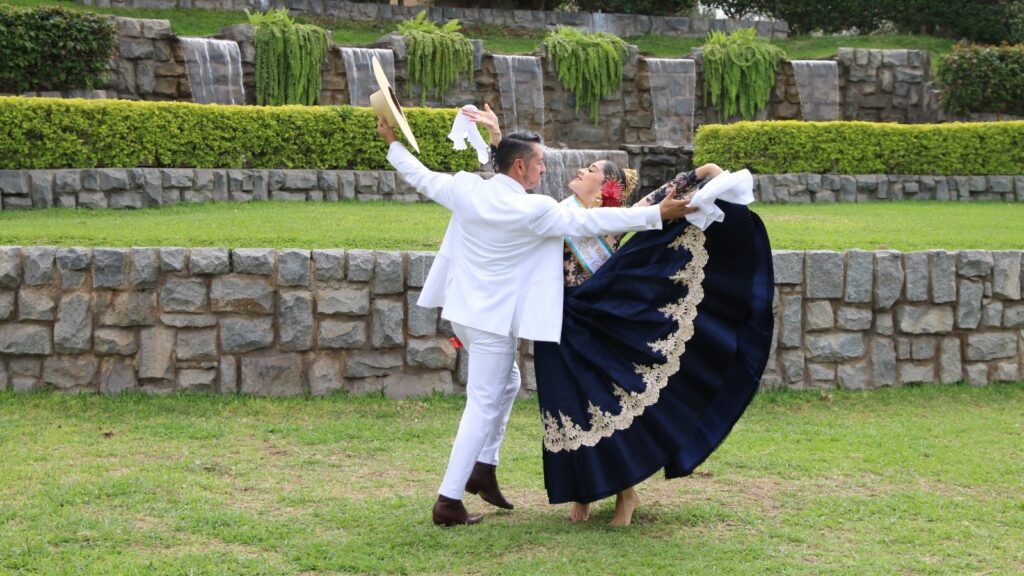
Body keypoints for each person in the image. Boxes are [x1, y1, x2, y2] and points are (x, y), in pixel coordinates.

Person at [375, 117, 699, 527]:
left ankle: (485, 469)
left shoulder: (464, 187)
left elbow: (419, 176)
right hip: (491, 324)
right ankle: (449, 500)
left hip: (461, 315)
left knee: (508, 382)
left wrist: (392, 142)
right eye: (540, 162)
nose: (545, 168)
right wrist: (656, 215)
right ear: (519, 168)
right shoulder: (535, 210)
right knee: (482, 403)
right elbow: (592, 221)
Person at [463, 104, 775, 527]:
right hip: (553, 324)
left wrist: (708, 171)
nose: (579, 170)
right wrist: (499, 136)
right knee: (564, 408)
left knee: (602, 405)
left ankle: (625, 495)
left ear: (606, 183)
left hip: (592, 325)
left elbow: (661, 200)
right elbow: (516, 176)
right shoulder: (554, 208)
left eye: (590, 167)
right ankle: (582, 495)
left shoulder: (611, 222)